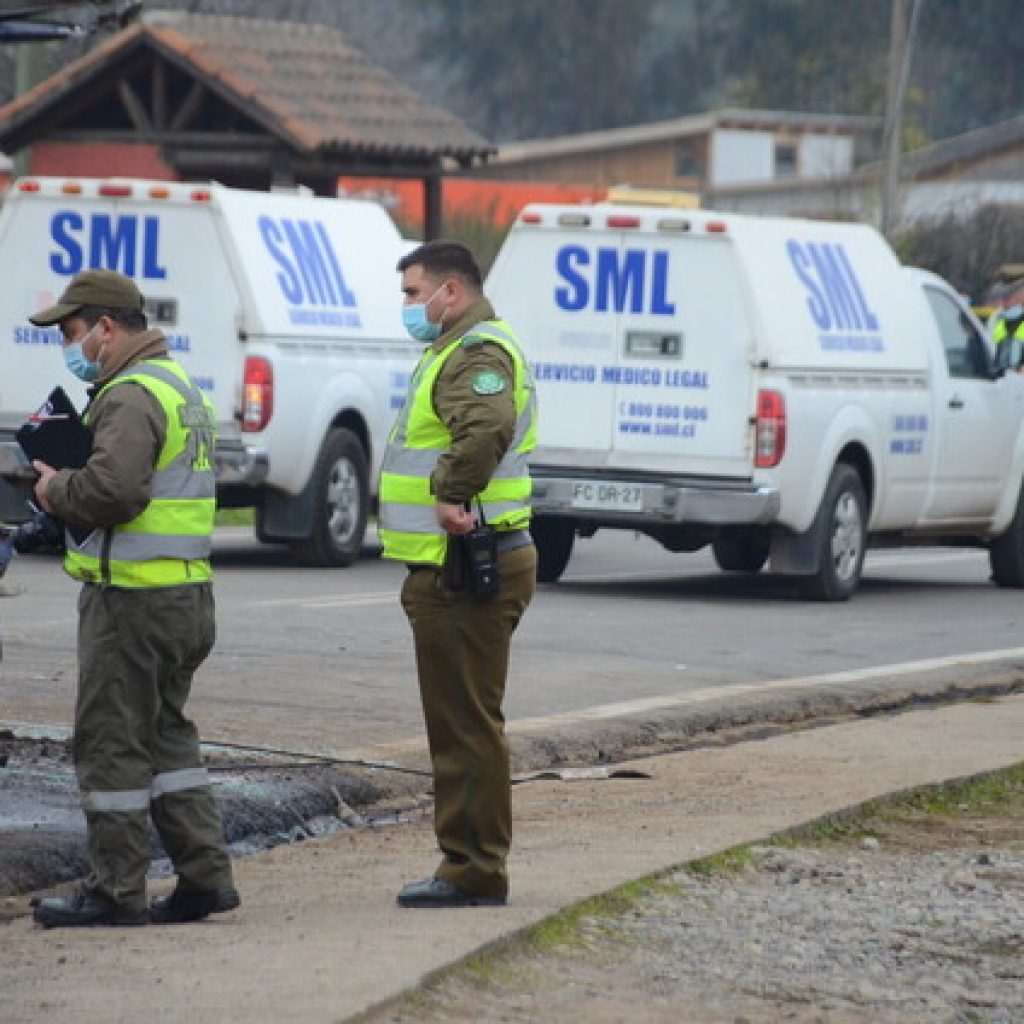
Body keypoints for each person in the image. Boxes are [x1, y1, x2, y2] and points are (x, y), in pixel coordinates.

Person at [25, 269, 239, 928]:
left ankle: (115, 891)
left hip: (133, 603)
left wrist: (54, 489)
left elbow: (115, 492)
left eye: (71, 332)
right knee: (169, 739)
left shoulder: (128, 394)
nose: (70, 345)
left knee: (112, 742)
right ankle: (205, 877)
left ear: (107, 328)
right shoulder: (177, 387)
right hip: (185, 595)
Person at [379, 241, 538, 908]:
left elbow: (485, 429)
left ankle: (473, 868)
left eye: (414, 294)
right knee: (461, 720)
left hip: (467, 563)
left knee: (465, 724)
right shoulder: (455, 349)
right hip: (461, 563)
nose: (409, 308)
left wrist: (450, 492)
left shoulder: (476, 353)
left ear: (451, 292)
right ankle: (468, 861)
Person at [986, 265, 1024, 372]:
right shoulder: (996, 319)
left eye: (1009, 295)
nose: (1004, 301)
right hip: (1001, 383)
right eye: (1002, 295)